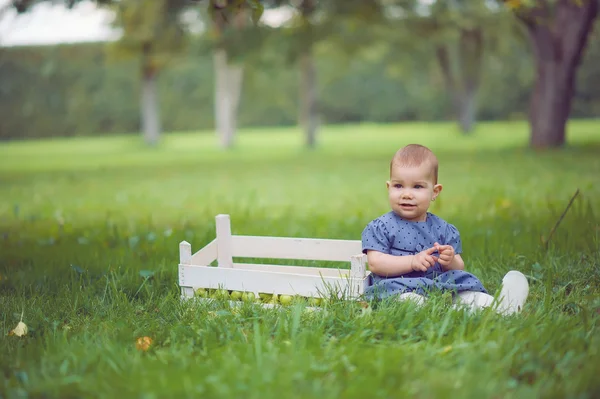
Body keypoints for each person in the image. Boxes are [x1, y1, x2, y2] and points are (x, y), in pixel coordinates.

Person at [361, 144, 529, 315]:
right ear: (388, 187)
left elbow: (459, 265)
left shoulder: (443, 228)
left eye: (417, 187)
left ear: (435, 192)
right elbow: (376, 263)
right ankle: (439, 309)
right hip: (399, 285)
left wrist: (449, 260)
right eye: (399, 186)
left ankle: (498, 305)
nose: (406, 194)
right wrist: (412, 261)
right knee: (409, 300)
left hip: (440, 283)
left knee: (461, 286)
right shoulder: (380, 227)